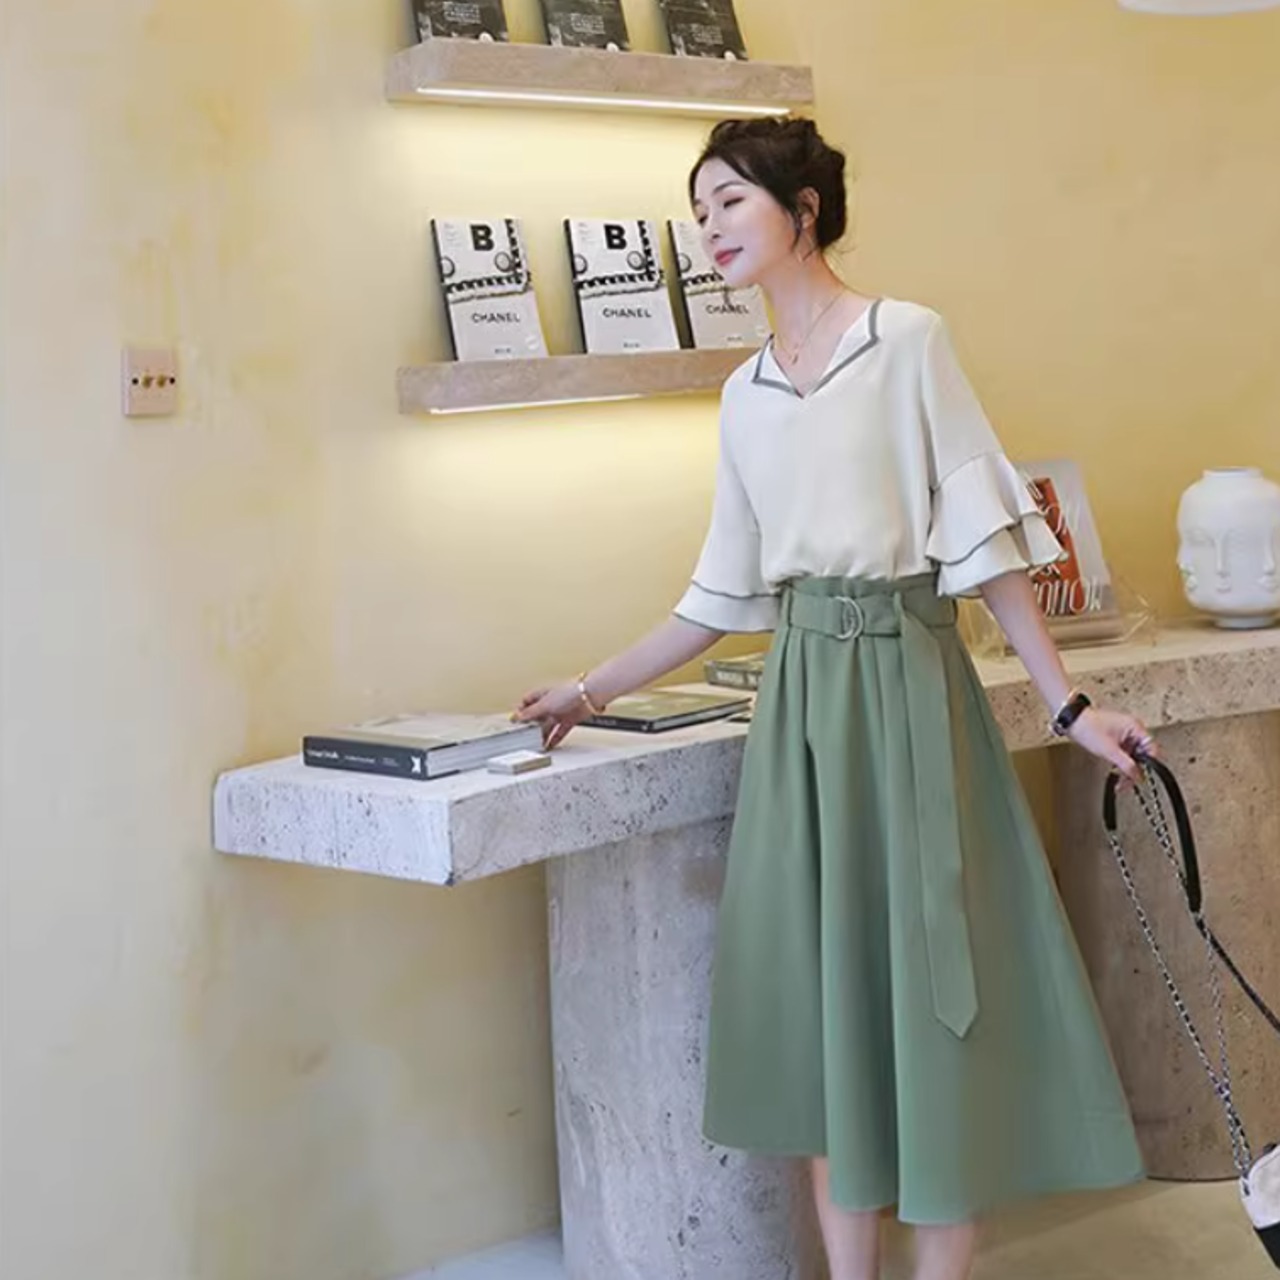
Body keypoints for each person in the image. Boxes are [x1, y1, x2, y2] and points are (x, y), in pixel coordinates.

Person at [515, 116, 1153, 1280]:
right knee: (827, 1023)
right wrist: (588, 687)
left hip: (910, 695)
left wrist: (1067, 707)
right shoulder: (744, 394)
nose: (706, 227)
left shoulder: (906, 340)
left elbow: (984, 540)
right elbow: (717, 592)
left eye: (728, 201)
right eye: (697, 209)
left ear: (802, 210)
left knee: (938, 1006)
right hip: (800, 715)